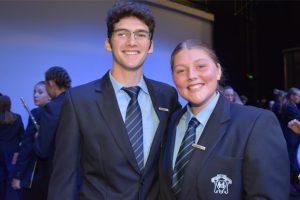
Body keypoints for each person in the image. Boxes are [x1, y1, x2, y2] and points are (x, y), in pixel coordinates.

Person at [48, 1, 180, 200]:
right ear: (108, 43)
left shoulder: (167, 96)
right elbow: (64, 177)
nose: (132, 42)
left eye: (141, 34)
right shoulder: (79, 101)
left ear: (150, 45)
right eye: (122, 34)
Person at [159, 39, 290, 199]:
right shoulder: (170, 123)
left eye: (201, 66)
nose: (191, 76)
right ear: (173, 77)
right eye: (181, 70)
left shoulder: (256, 123)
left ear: (218, 71)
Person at [11, 81, 51, 200]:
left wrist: (18, 175)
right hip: (54, 173)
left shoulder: (36, 112)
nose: (35, 95)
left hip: (35, 172)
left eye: (40, 92)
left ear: (50, 95)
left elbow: (27, 147)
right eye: (34, 92)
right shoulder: (61, 112)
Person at [34, 66, 71, 163]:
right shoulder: (80, 102)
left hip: (59, 168)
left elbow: (42, 150)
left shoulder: (52, 107)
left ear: (50, 83)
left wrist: (38, 137)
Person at [0, 95, 24, 200]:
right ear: (10, 104)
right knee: (11, 181)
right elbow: (22, 136)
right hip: (13, 152)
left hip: (1, 152)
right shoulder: (17, 117)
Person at [280, 87, 300, 199]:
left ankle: (294, 185)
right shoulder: (289, 107)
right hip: (292, 139)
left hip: (292, 138)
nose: (299, 97)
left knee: (294, 164)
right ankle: (296, 186)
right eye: (298, 95)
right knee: (294, 165)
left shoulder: (290, 106)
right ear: (292, 96)